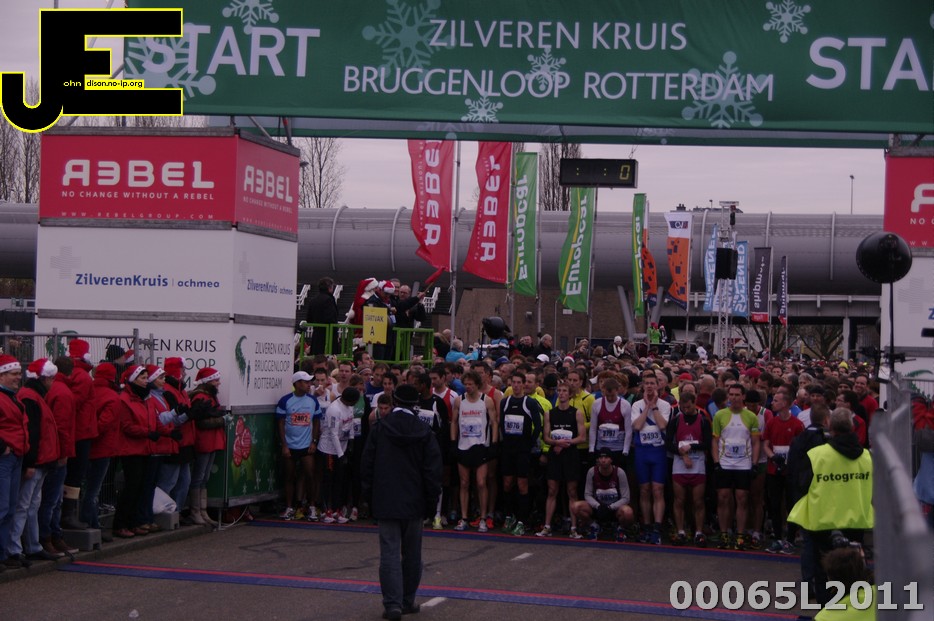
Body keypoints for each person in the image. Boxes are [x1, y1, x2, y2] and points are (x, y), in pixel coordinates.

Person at [361, 383, 442, 621]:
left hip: (386, 498)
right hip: (415, 500)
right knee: (412, 553)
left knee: (389, 552)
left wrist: (369, 498)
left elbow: (367, 465)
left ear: (394, 401)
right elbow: (433, 472)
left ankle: (393, 604)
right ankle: (407, 600)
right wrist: (431, 503)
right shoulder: (424, 431)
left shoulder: (380, 428)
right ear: (415, 404)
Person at [788, 408, 873, 606]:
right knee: (853, 568)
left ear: (830, 427)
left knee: (824, 570)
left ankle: (827, 610)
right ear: (852, 428)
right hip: (856, 519)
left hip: (823, 520)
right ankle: (852, 608)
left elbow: (801, 484)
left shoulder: (817, 455)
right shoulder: (867, 457)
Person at [8, 359, 60, 566]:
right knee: (24, 505)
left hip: (40, 460)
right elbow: (32, 432)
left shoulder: (34, 396)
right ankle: (15, 548)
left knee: (31, 505)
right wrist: (30, 462)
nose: (53, 383)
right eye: (52, 379)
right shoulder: (31, 397)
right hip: (36, 461)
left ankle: (31, 546)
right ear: (44, 378)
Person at [711, 383, 760, 550]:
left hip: (743, 464)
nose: (734, 398)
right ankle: (724, 534)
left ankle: (740, 535)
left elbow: (755, 442)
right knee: (723, 498)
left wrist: (754, 464)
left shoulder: (751, 416)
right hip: (724, 463)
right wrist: (716, 462)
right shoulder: (720, 415)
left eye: (737, 395)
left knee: (742, 499)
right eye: (731, 395)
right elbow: (715, 440)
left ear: (743, 396)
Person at [450, 371, 497, 532]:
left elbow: (494, 423)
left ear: (477, 385)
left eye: (470, 384)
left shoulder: (486, 400)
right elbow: (454, 422)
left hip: (481, 446)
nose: (468, 387)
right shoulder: (459, 400)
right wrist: (453, 442)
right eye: (466, 384)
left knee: (481, 483)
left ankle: (483, 518)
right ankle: (464, 518)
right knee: (464, 483)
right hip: (463, 446)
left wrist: (494, 444)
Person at [538, 382, 586, 539]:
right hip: (555, 455)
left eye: (565, 391)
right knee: (552, 490)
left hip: (570, 455)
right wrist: (556, 443)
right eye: (559, 390)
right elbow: (546, 437)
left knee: (572, 491)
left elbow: (582, 437)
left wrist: (566, 443)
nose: (562, 393)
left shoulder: (577, 413)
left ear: (570, 394)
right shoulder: (550, 413)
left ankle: (574, 527)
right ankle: (547, 526)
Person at [498, 371, 543, 537]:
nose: (516, 385)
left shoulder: (529, 403)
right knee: (507, 483)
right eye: (513, 382)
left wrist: (529, 444)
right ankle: (509, 516)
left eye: (519, 383)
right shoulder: (505, 402)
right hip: (508, 449)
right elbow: (501, 423)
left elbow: (538, 426)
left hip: (523, 451)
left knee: (522, 484)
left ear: (523, 384)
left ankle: (522, 521)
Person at [665, 391, 712, 547]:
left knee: (698, 501)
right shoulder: (675, 421)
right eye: (683, 407)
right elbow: (668, 444)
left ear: (694, 403)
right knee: (679, 500)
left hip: (698, 466)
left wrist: (691, 446)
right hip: (679, 466)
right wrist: (681, 452)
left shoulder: (703, 420)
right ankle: (680, 531)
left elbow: (707, 443)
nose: (686, 410)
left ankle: (698, 532)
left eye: (689, 407)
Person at [113, 365, 155, 538]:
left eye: (146, 377)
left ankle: (133, 522)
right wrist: (148, 432)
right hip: (130, 449)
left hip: (143, 447)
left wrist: (165, 431)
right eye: (142, 378)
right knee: (131, 487)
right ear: (133, 380)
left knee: (139, 487)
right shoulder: (125, 399)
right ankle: (120, 523)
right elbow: (127, 426)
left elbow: (151, 421)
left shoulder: (143, 398)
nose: (146, 381)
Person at [631, 370, 671, 544]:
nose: (649, 386)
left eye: (652, 383)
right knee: (644, 490)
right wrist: (647, 406)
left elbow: (662, 425)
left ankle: (657, 526)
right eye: (646, 383)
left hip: (658, 451)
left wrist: (654, 406)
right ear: (642, 386)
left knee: (658, 490)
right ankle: (646, 525)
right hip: (642, 451)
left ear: (658, 386)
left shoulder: (665, 405)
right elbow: (637, 426)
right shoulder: (636, 405)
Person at [82, 362, 120, 535]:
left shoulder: (88, 391)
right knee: (94, 490)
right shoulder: (112, 396)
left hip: (85, 446)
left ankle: (89, 522)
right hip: (102, 448)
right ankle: (92, 524)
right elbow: (104, 423)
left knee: (85, 488)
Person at [189, 368, 228, 528]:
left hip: (212, 441)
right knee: (199, 477)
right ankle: (195, 511)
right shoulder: (200, 397)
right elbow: (201, 422)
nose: (218, 383)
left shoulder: (208, 396)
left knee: (204, 478)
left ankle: (202, 511)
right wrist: (222, 420)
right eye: (215, 380)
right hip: (204, 441)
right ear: (207, 382)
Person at [571, 446, 634, 541]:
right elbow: (587, 494)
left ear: (611, 460)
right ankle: (594, 526)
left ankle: (620, 529)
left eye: (606, 457)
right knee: (575, 507)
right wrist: (598, 506)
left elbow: (626, 498)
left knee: (628, 512)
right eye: (601, 457)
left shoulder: (619, 472)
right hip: (598, 508)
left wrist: (610, 507)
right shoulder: (592, 471)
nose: (603, 460)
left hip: (615, 509)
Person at [0, 355, 28, 570]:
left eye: (19, 373)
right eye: (14, 374)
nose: (18, 377)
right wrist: (2, 447)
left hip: (15, 455)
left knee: (9, 508)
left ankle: (4, 552)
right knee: (2, 508)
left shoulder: (12, 397)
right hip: (5, 457)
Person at [318, 387, 357, 523]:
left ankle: (336, 510)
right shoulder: (334, 410)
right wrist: (340, 454)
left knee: (339, 481)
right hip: (329, 449)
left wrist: (351, 443)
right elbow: (333, 434)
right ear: (349, 400)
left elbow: (350, 424)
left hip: (342, 448)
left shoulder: (349, 407)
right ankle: (326, 511)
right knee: (328, 480)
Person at [305, 277, 339, 355]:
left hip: (316, 335)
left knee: (316, 357)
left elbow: (309, 319)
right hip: (328, 336)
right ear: (330, 288)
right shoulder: (329, 299)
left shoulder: (313, 300)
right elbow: (331, 318)